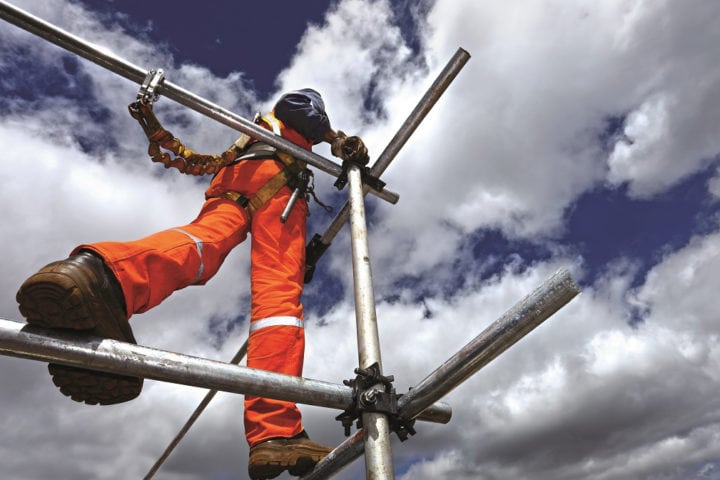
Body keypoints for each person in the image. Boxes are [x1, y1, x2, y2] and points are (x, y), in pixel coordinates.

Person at [16, 88, 368, 480]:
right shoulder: (299, 110)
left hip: (238, 181)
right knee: (277, 301)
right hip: (277, 181)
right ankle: (275, 431)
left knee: (204, 247)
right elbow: (298, 107)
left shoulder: (258, 131)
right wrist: (336, 139)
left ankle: (106, 276)